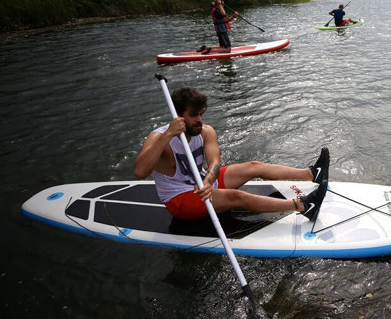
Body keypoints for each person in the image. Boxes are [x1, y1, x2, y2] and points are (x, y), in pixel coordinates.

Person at [133, 86, 329, 222]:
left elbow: (215, 161)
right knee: (237, 197)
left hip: (204, 184)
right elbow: (140, 172)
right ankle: (303, 206)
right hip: (179, 199)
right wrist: (168, 134)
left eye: (202, 113)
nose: (199, 120)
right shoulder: (159, 137)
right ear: (178, 116)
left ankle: (312, 174)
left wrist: (209, 181)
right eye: (194, 115)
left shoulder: (205, 131)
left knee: (254, 166)